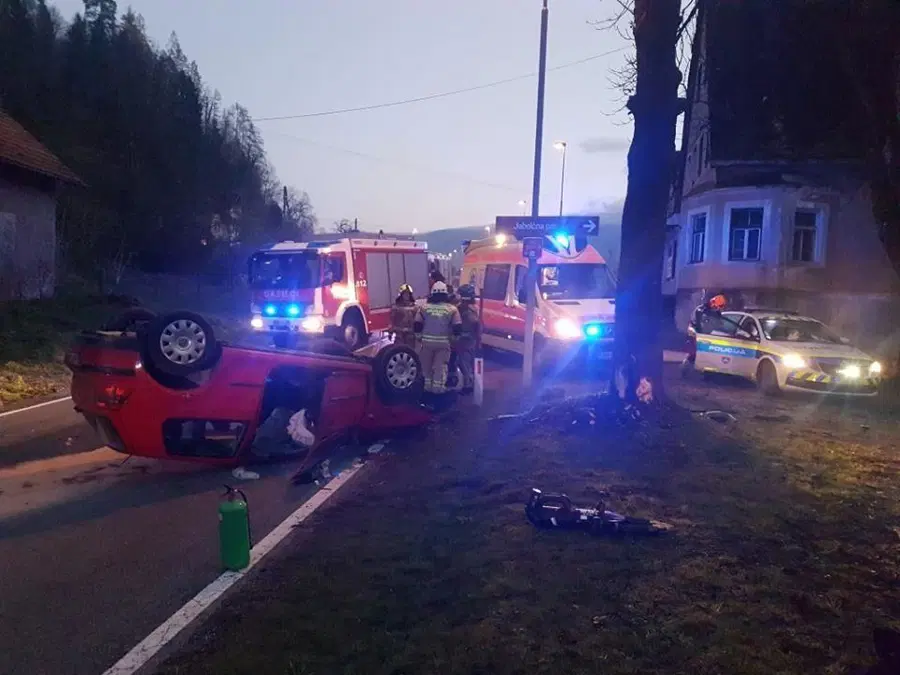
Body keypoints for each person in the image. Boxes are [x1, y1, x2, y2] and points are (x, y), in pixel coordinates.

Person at [414, 281, 461, 394]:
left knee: (426, 368)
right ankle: (438, 391)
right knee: (440, 367)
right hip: (443, 344)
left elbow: (417, 324)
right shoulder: (452, 309)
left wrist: (419, 337)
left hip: (426, 344)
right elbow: (457, 327)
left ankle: (426, 391)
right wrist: (454, 339)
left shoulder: (424, 308)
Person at [683, 291, 727, 372]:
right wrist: (697, 335)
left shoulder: (715, 313)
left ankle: (703, 372)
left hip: (708, 337)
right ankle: (686, 370)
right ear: (714, 303)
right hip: (697, 336)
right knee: (693, 355)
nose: (719, 308)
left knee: (707, 357)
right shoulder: (700, 311)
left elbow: (720, 324)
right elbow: (695, 324)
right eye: (719, 306)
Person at [454, 284, 481, 394]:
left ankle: (468, 385)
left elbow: (474, 323)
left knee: (465, 362)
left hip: (466, 340)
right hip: (469, 339)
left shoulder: (467, 310)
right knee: (466, 362)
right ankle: (468, 382)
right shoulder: (474, 308)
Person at [390, 283, 418, 349]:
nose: (406, 296)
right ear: (401, 295)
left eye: (408, 294)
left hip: (411, 335)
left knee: (410, 352)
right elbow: (391, 320)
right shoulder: (396, 307)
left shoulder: (415, 307)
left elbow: (418, 321)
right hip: (399, 334)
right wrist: (390, 332)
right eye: (405, 294)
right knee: (398, 350)